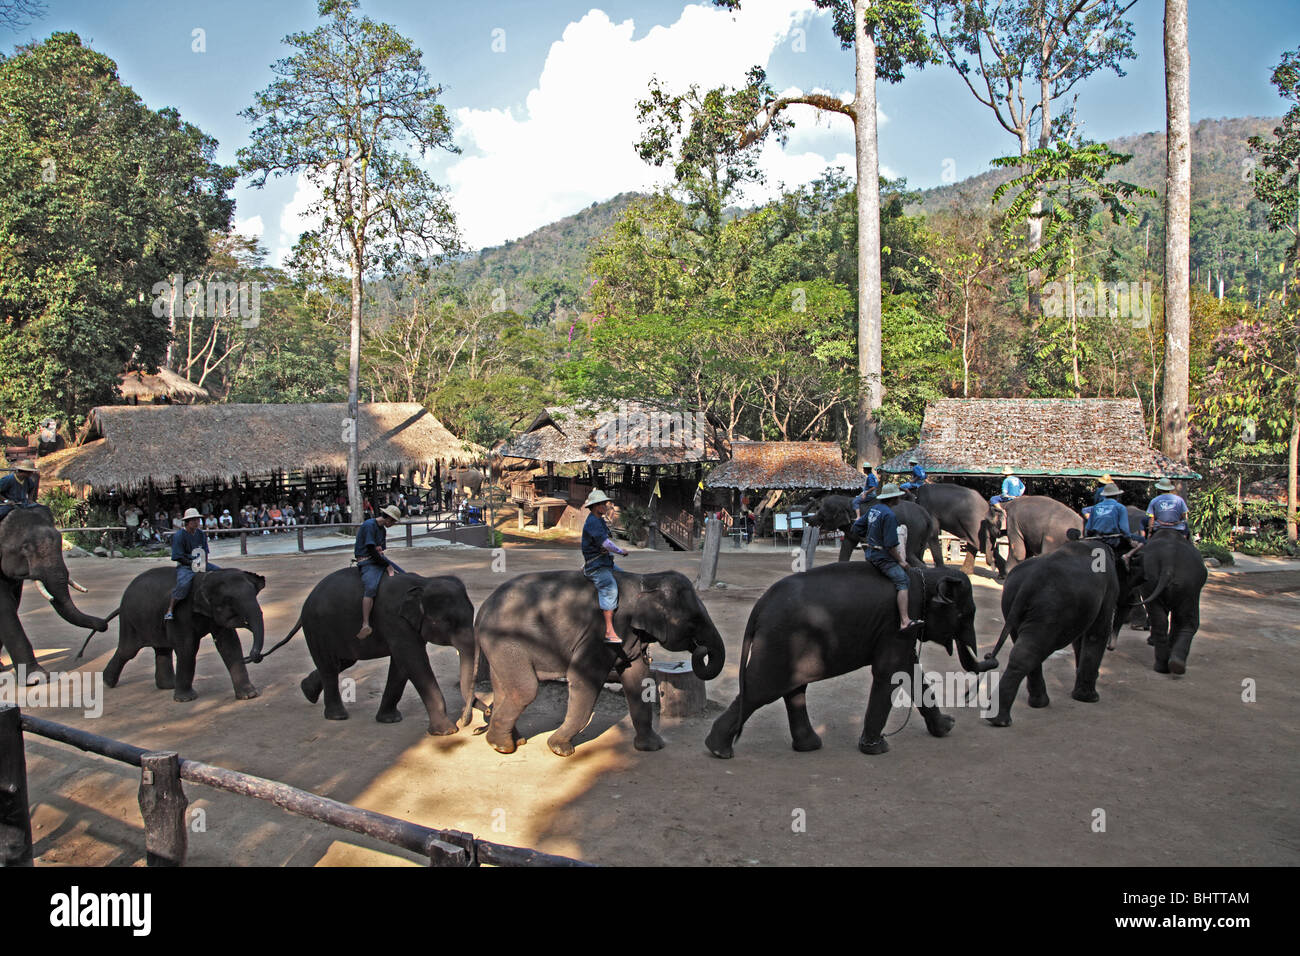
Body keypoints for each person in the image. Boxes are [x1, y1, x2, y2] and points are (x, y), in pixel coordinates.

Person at [850, 483, 921, 637]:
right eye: (898, 497)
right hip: (882, 557)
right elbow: (890, 545)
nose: (899, 499)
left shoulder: (873, 510)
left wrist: (870, 536)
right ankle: (904, 620)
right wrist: (902, 561)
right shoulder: (889, 515)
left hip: (870, 553)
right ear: (893, 498)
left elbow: (857, 527)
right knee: (903, 581)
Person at [581, 490, 630, 644]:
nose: (605, 506)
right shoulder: (592, 522)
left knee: (626, 578)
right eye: (602, 504)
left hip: (606, 562)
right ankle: (609, 631)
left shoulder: (600, 520)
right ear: (595, 506)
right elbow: (605, 543)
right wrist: (620, 551)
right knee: (610, 587)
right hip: (596, 566)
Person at [355, 504, 404, 640]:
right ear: (388, 518)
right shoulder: (369, 525)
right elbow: (371, 549)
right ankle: (365, 623)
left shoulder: (382, 529)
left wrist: (381, 554)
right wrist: (386, 565)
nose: (393, 524)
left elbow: (379, 548)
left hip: (377, 558)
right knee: (370, 587)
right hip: (366, 560)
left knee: (403, 574)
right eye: (393, 521)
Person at [165, 508, 221, 621]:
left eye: (198, 520)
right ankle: (170, 609)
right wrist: (191, 564)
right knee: (183, 584)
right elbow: (177, 556)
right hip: (186, 565)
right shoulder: (179, 535)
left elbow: (205, 551)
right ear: (187, 522)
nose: (196, 522)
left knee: (220, 573)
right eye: (193, 520)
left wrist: (203, 563)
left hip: (201, 562)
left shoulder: (201, 534)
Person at [1083, 483, 1133, 552]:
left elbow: (1088, 529)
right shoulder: (1120, 508)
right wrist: (1130, 540)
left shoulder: (1095, 507)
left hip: (1096, 540)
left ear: (1105, 495)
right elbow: (1124, 529)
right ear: (1117, 495)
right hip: (1113, 541)